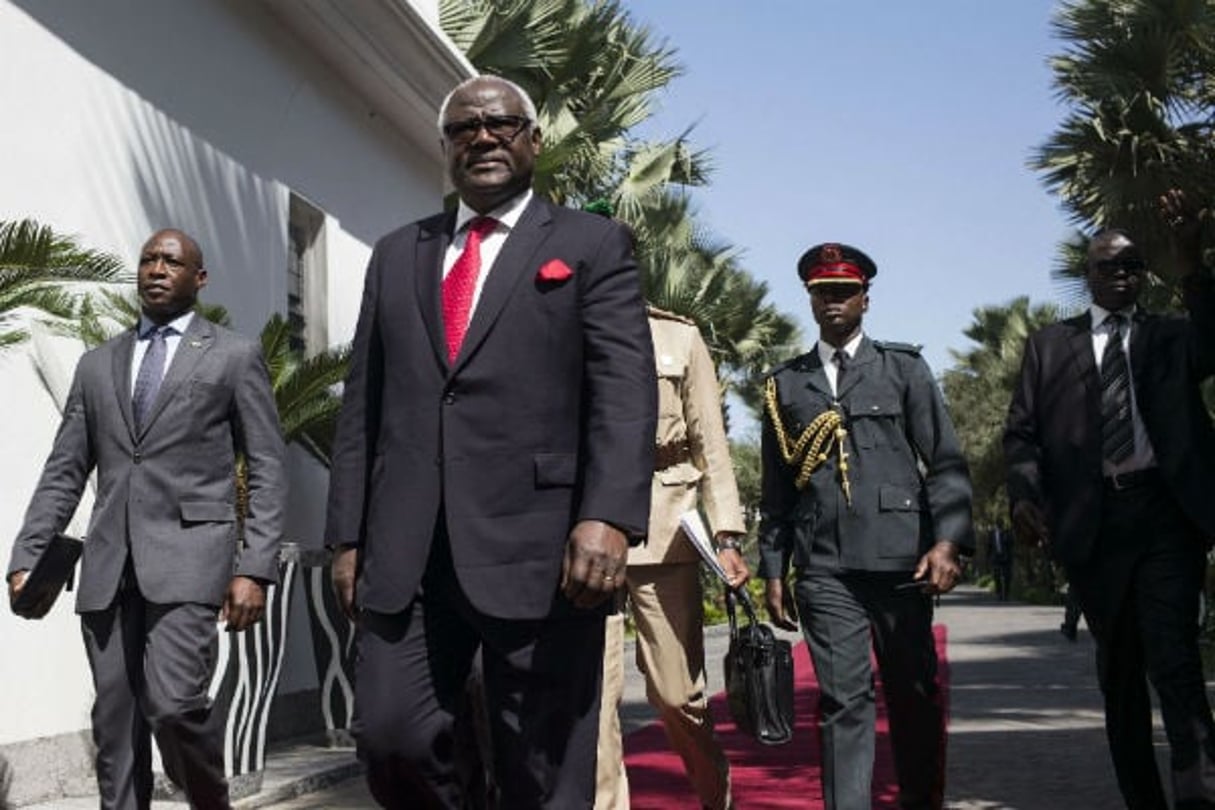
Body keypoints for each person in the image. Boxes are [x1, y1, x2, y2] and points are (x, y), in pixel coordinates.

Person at [324, 75, 657, 809]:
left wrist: (607, 516)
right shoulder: (396, 254)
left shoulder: (589, 244)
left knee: (541, 765)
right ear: (444, 147)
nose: (482, 137)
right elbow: (364, 407)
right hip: (408, 551)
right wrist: (346, 536)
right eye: (462, 129)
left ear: (533, 141)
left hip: (542, 552)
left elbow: (624, 392)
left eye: (501, 124)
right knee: (392, 738)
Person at [6, 228, 287, 810]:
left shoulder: (232, 356)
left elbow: (266, 466)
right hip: (109, 567)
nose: (157, 269)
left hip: (191, 562)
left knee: (174, 705)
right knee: (115, 728)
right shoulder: (97, 365)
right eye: (148, 260)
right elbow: (65, 468)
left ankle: (210, 802)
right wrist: (29, 555)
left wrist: (255, 567)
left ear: (198, 278)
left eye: (172, 261)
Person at [1005, 191, 1215, 810]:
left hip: (1164, 516)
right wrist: (1023, 494)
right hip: (1092, 528)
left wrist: (1193, 265)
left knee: (1174, 660)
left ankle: (1199, 795)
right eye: (1107, 266)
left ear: (1142, 275)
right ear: (1087, 275)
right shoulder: (1049, 345)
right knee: (1119, 676)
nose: (1120, 276)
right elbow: (1022, 432)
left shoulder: (1171, 337)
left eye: (1131, 266)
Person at [759, 243, 973, 810]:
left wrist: (948, 541)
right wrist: (773, 569)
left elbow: (945, 461)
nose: (833, 302)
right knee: (842, 699)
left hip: (902, 563)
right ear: (809, 300)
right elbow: (776, 489)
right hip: (824, 566)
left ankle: (920, 799)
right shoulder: (786, 384)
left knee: (912, 693)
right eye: (822, 293)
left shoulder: (903, 368)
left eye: (843, 292)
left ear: (865, 299)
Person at [594, 306, 750, 810]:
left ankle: (715, 796)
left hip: (664, 525)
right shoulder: (563, 323)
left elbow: (711, 442)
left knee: (677, 695)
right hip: (587, 532)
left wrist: (727, 534)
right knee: (594, 701)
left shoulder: (678, 336)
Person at [989, 524, 1013, 601]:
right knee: (996, 576)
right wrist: (989, 557)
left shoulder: (1007, 533)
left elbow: (1011, 545)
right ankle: (999, 593)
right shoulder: (992, 534)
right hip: (995, 557)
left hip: (1005, 557)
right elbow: (989, 546)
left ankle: (1006, 594)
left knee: (1007, 576)